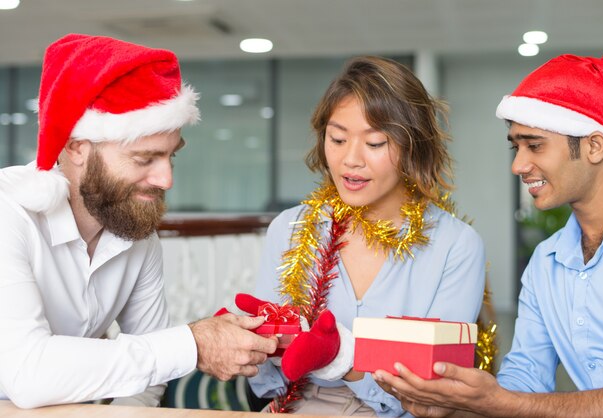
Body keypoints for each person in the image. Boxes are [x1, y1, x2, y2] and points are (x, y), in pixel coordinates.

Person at [0, 33, 276, 409]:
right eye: (145, 159)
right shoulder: (8, 212)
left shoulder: (135, 231)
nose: (166, 180)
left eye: (170, 157)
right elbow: (26, 372)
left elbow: (147, 380)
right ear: (76, 147)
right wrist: (192, 344)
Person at [374, 52, 603, 417]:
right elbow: (525, 379)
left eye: (535, 145)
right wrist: (456, 401)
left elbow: (518, 402)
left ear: (594, 145)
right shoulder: (547, 262)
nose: (519, 165)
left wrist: (507, 402)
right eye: (516, 146)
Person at [243, 56, 486, 416]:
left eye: (375, 144)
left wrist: (341, 360)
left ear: (413, 147)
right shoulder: (291, 229)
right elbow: (266, 379)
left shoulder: (457, 246)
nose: (350, 160)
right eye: (337, 139)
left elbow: (434, 393)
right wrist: (250, 341)